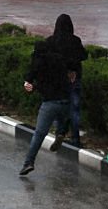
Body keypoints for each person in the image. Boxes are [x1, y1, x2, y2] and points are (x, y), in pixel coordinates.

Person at [20, 40, 72, 176]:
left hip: (49, 102)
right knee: (62, 118)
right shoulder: (60, 60)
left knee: (39, 134)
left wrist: (29, 85)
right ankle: (61, 132)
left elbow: (29, 79)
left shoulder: (38, 62)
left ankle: (28, 163)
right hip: (66, 100)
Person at [45, 14, 88, 147]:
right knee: (74, 109)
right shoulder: (75, 40)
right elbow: (83, 56)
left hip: (58, 82)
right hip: (74, 79)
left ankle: (60, 132)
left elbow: (47, 61)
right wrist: (72, 69)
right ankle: (75, 139)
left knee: (59, 108)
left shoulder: (50, 41)